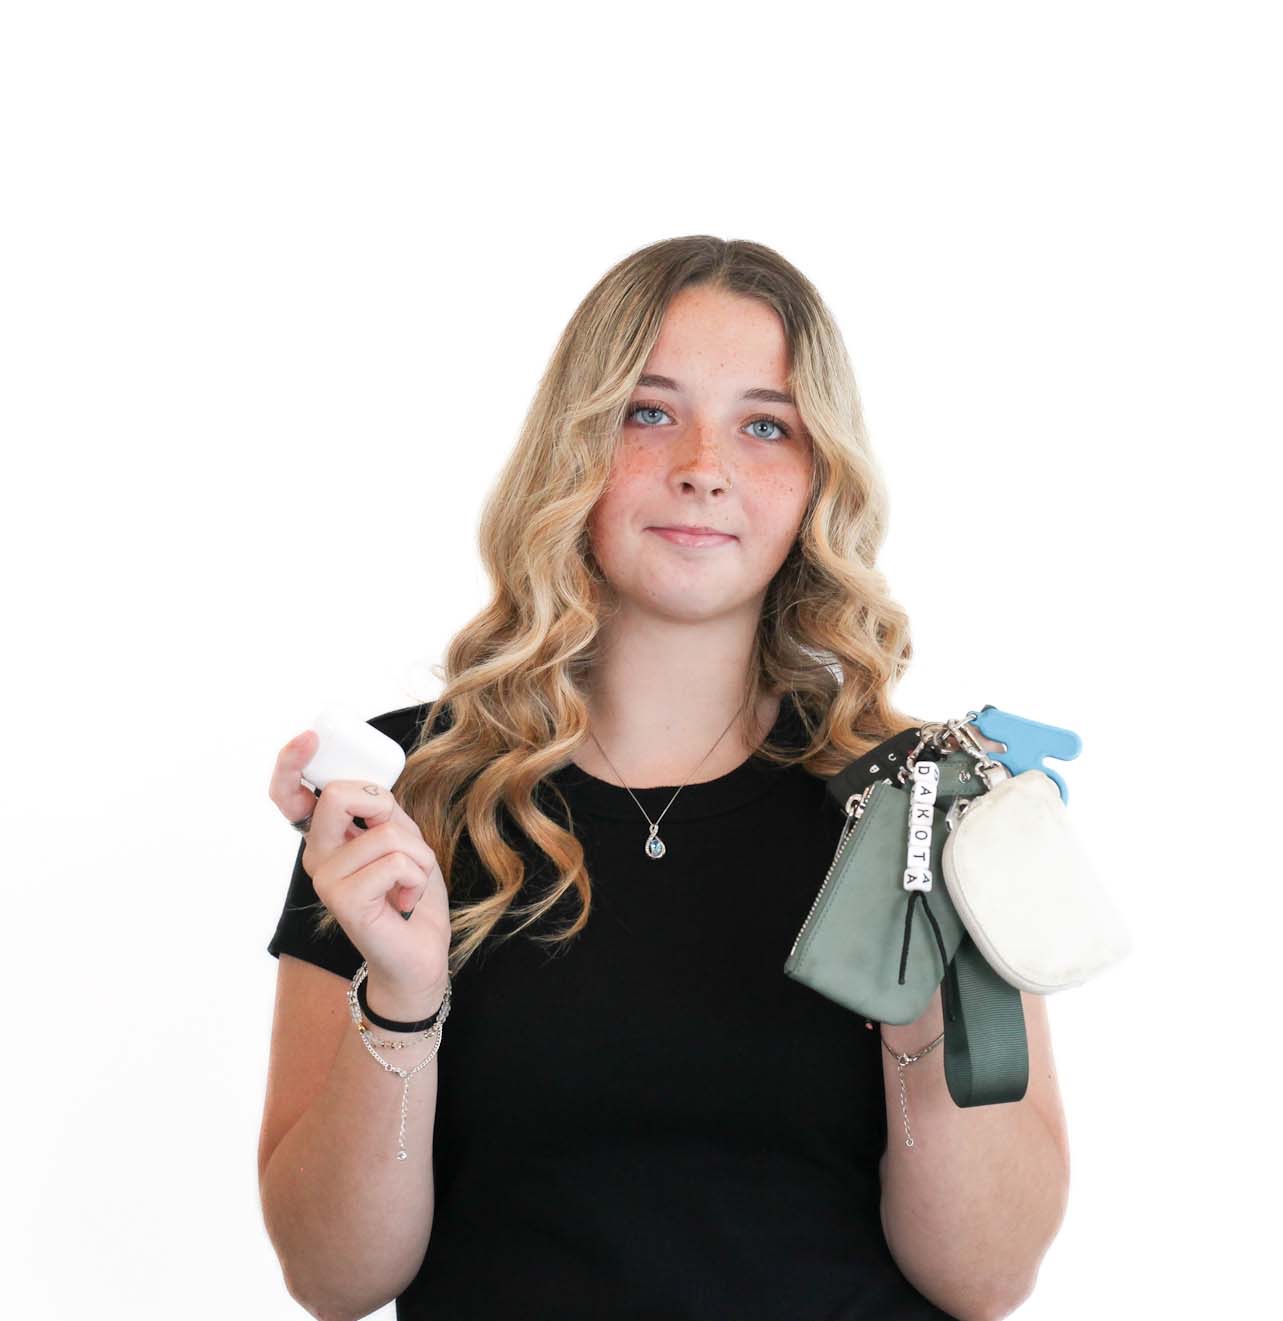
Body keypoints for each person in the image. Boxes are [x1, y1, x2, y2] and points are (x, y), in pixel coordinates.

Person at [258, 236, 1068, 1321]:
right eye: (648, 411)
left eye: (764, 423)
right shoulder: (405, 797)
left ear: (818, 477)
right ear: (573, 446)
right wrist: (403, 1001)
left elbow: (985, 1277)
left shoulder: (926, 798)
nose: (703, 462)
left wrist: (917, 989)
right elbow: (332, 1278)